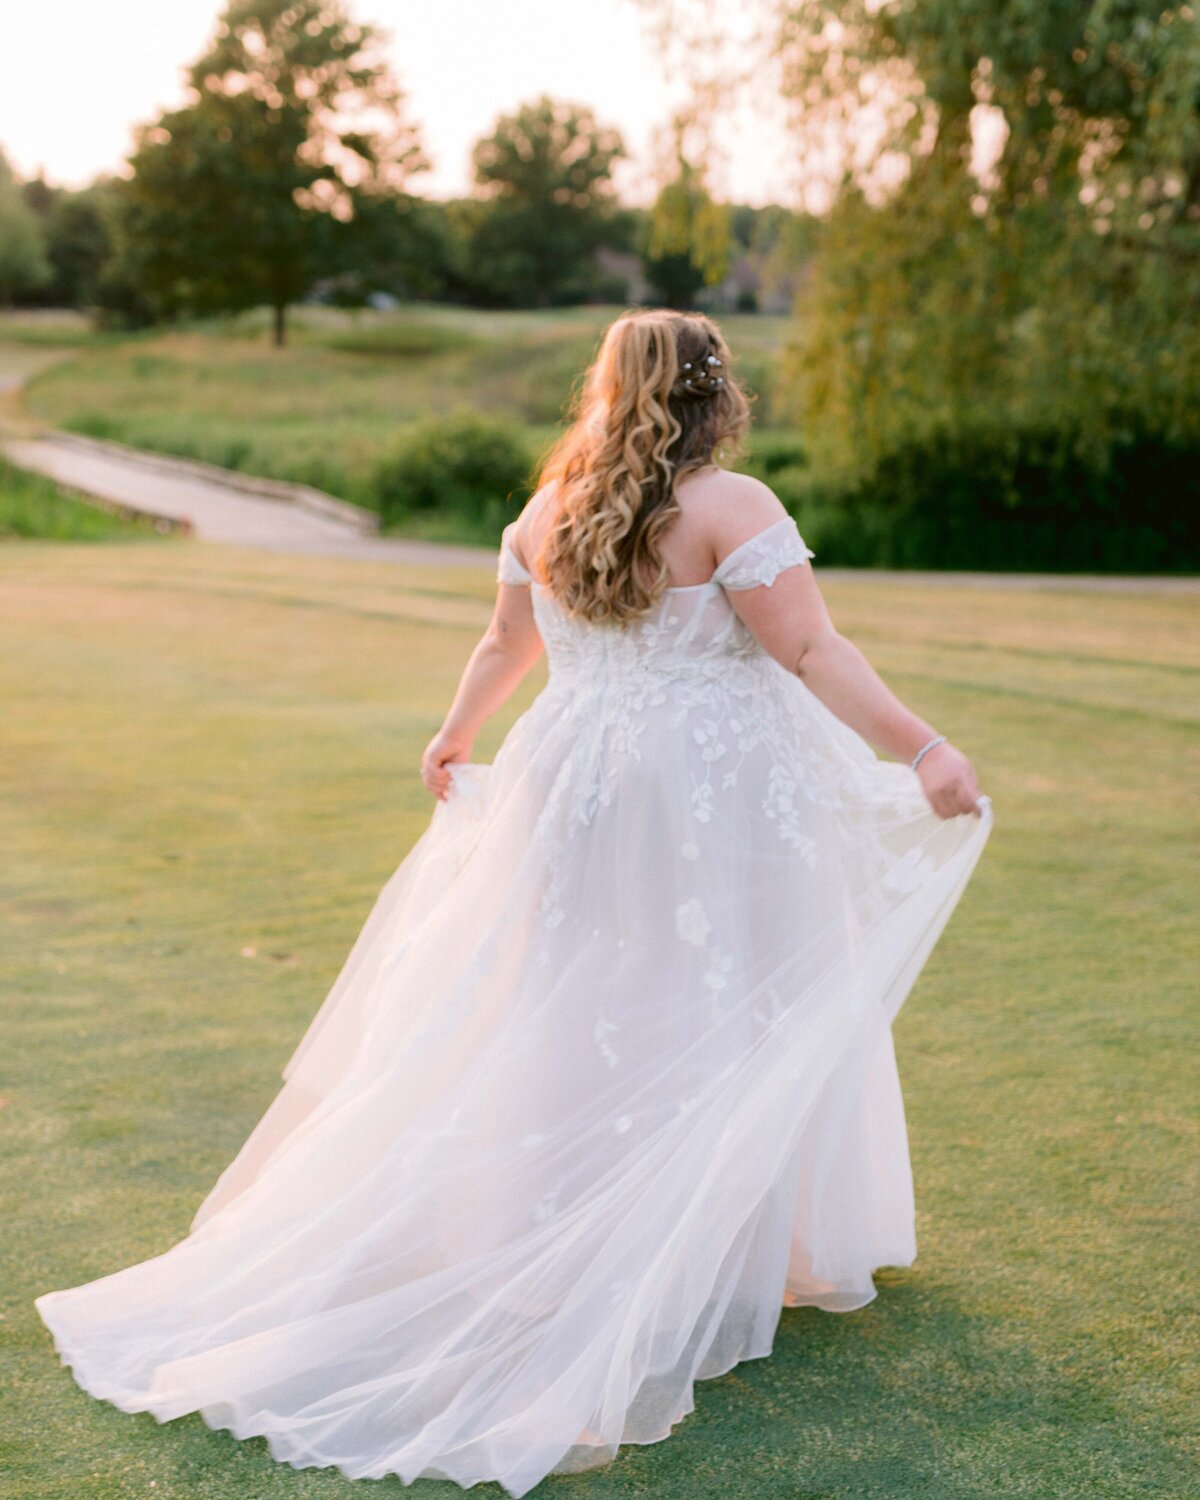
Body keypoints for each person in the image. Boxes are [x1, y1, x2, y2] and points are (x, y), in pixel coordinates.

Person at [36, 309, 991, 1497]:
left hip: (576, 782)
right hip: (706, 792)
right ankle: (699, 1248)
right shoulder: (732, 507)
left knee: (576, 994)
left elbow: (504, 643)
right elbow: (810, 651)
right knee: (728, 997)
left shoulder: (548, 512)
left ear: (605, 388)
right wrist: (926, 748)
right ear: (713, 391)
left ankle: (588, 1227)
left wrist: (456, 731)